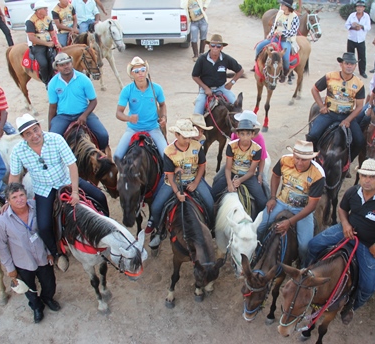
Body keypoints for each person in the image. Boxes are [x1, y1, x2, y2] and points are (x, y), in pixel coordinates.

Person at [307, 159, 375, 325]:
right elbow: (342, 208)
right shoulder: (353, 191)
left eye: (372, 177)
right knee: (313, 245)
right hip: (346, 232)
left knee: (368, 287)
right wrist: (345, 223)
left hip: (367, 244)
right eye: (363, 176)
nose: (367, 180)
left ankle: (351, 305)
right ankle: (306, 273)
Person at [9, 113, 109, 271]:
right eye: (28, 133)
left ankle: (106, 229)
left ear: (40, 127)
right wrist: (10, 199)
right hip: (44, 189)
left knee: (100, 196)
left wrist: (75, 192)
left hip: (66, 180)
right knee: (43, 226)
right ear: (23, 136)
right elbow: (14, 176)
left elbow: (72, 166)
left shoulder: (56, 139)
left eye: (36, 130)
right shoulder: (18, 151)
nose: (34, 135)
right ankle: (56, 254)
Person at [0, 183, 60, 324]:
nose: (19, 199)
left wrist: (49, 251)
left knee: (50, 283)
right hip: (23, 261)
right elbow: (2, 247)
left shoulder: (37, 207)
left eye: (22, 195)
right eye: (14, 197)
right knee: (30, 289)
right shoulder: (1, 221)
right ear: (8, 200)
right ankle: (36, 307)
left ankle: (47, 298)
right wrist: (10, 269)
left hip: (43, 256)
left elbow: (48, 230)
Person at [256, 140, 325, 265]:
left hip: (302, 209)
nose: (299, 162)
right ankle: (257, 252)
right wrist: (272, 197)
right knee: (259, 228)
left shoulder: (317, 175)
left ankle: (303, 267)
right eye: (297, 158)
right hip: (281, 202)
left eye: (304, 160)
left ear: (311, 158)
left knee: (305, 245)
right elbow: (276, 176)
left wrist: (289, 222)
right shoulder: (284, 160)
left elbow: (311, 206)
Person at [148, 119, 214, 248]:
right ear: (177, 135)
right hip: (174, 183)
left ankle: (212, 228)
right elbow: (170, 175)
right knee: (156, 207)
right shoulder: (168, 151)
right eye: (185, 137)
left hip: (193, 179)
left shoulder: (197, 146)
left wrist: (195, 182)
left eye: (190, 137)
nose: (188, 140)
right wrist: (177, 192)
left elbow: (202, 165)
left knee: (211, 203)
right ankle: (159, 231)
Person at [307, 52, 365, 162]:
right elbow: (315, 89)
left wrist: (348, 119)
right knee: (312, 135)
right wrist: (321, 106)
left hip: (347, 116)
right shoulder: (330, 76)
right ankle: (312, 159)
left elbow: (359, 106)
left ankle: (348, 162)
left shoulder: (359, 83)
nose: (349, 66)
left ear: (355, 66)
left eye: (352, 64)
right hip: (330, 114)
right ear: (341, 65)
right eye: (347, 63)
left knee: (360, 141)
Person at [48, 53, 109, 152]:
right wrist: (50, 127)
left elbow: (93, 101)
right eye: (62, 65)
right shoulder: (53, 84)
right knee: (52, 140)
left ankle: (102, 156)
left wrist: (84, 115)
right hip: (63, 116)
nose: (66, 67)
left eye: (67, 63)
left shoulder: (84, 79)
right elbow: (53, 107)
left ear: (71, 63)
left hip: (83, 113)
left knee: (103, 135)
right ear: (57, 67)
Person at [114, 57, 167, 160]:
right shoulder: (127, 90)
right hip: (133, 128)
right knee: (117, 157)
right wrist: (129, 118)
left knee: (167, 158)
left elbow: (162, 105)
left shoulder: (156, 88)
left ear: (146, 71)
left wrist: (164, 117)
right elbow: (118, 113)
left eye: (143, 70)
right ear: (132, 74)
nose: (140, 73)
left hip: (153, 127)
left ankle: (163, 177)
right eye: (136, 71)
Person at [211, 119, 267, 215]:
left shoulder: (257, 149)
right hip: (232, 173)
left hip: (248, 176)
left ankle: (260, 225)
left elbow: (251, 171)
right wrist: (229, 183)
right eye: (242, 134)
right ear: (237, 134)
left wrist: (240, 181)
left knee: (263, 201)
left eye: (248, 134)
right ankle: (212, 223)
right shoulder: (231, 146)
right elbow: (228, 168)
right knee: (212, 194)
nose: (245, 137)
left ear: (253, 134)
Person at [192, 34, 244, 115]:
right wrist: (205, 88)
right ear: (209, 46)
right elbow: (195, 76)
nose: (215, 48)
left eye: (218, 46)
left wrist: (231, 83)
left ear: (222, 47)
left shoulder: (226, 58)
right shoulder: (202, 59)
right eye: (213, 45)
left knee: (237, 108)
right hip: (205, 89)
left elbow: (240, 70)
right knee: (197, 114)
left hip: (221, 88)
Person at [255, 0, 299, 83]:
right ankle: (257, 65)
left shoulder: (295, 17)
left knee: (286, 59)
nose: (281, 5)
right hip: (275, 37)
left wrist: (282, 33)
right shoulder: (280, 13)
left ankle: (284, 74)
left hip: (286, 40)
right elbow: (274, 26)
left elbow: (294, 31)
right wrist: (270, 34)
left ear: (287, 7)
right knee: (259, 47)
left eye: (283, 4)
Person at [26, 0, 61, 86]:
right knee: (43, 63)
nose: (47, 10)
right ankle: (47, 82)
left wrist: (57, 42)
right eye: (45, 8)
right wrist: (47, 44)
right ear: (38, 10)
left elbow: (52, 32)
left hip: (50, 42)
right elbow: (31, 38)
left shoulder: (48, 19)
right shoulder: (30, 21)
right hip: (38, 46)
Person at [345, 1, 371, 79]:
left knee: (362, 57)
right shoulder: (352, 15)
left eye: (361, 7)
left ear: (363, 8)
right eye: (358, 7)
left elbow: (368, 27)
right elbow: (346, 25)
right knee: (350, 56)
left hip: (361, 40)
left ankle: (362, 71)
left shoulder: (366, 16)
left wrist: (361, 27)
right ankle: (349, 71)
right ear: (356, 8)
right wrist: (353, 27)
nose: (359, 8)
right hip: (351, 39)